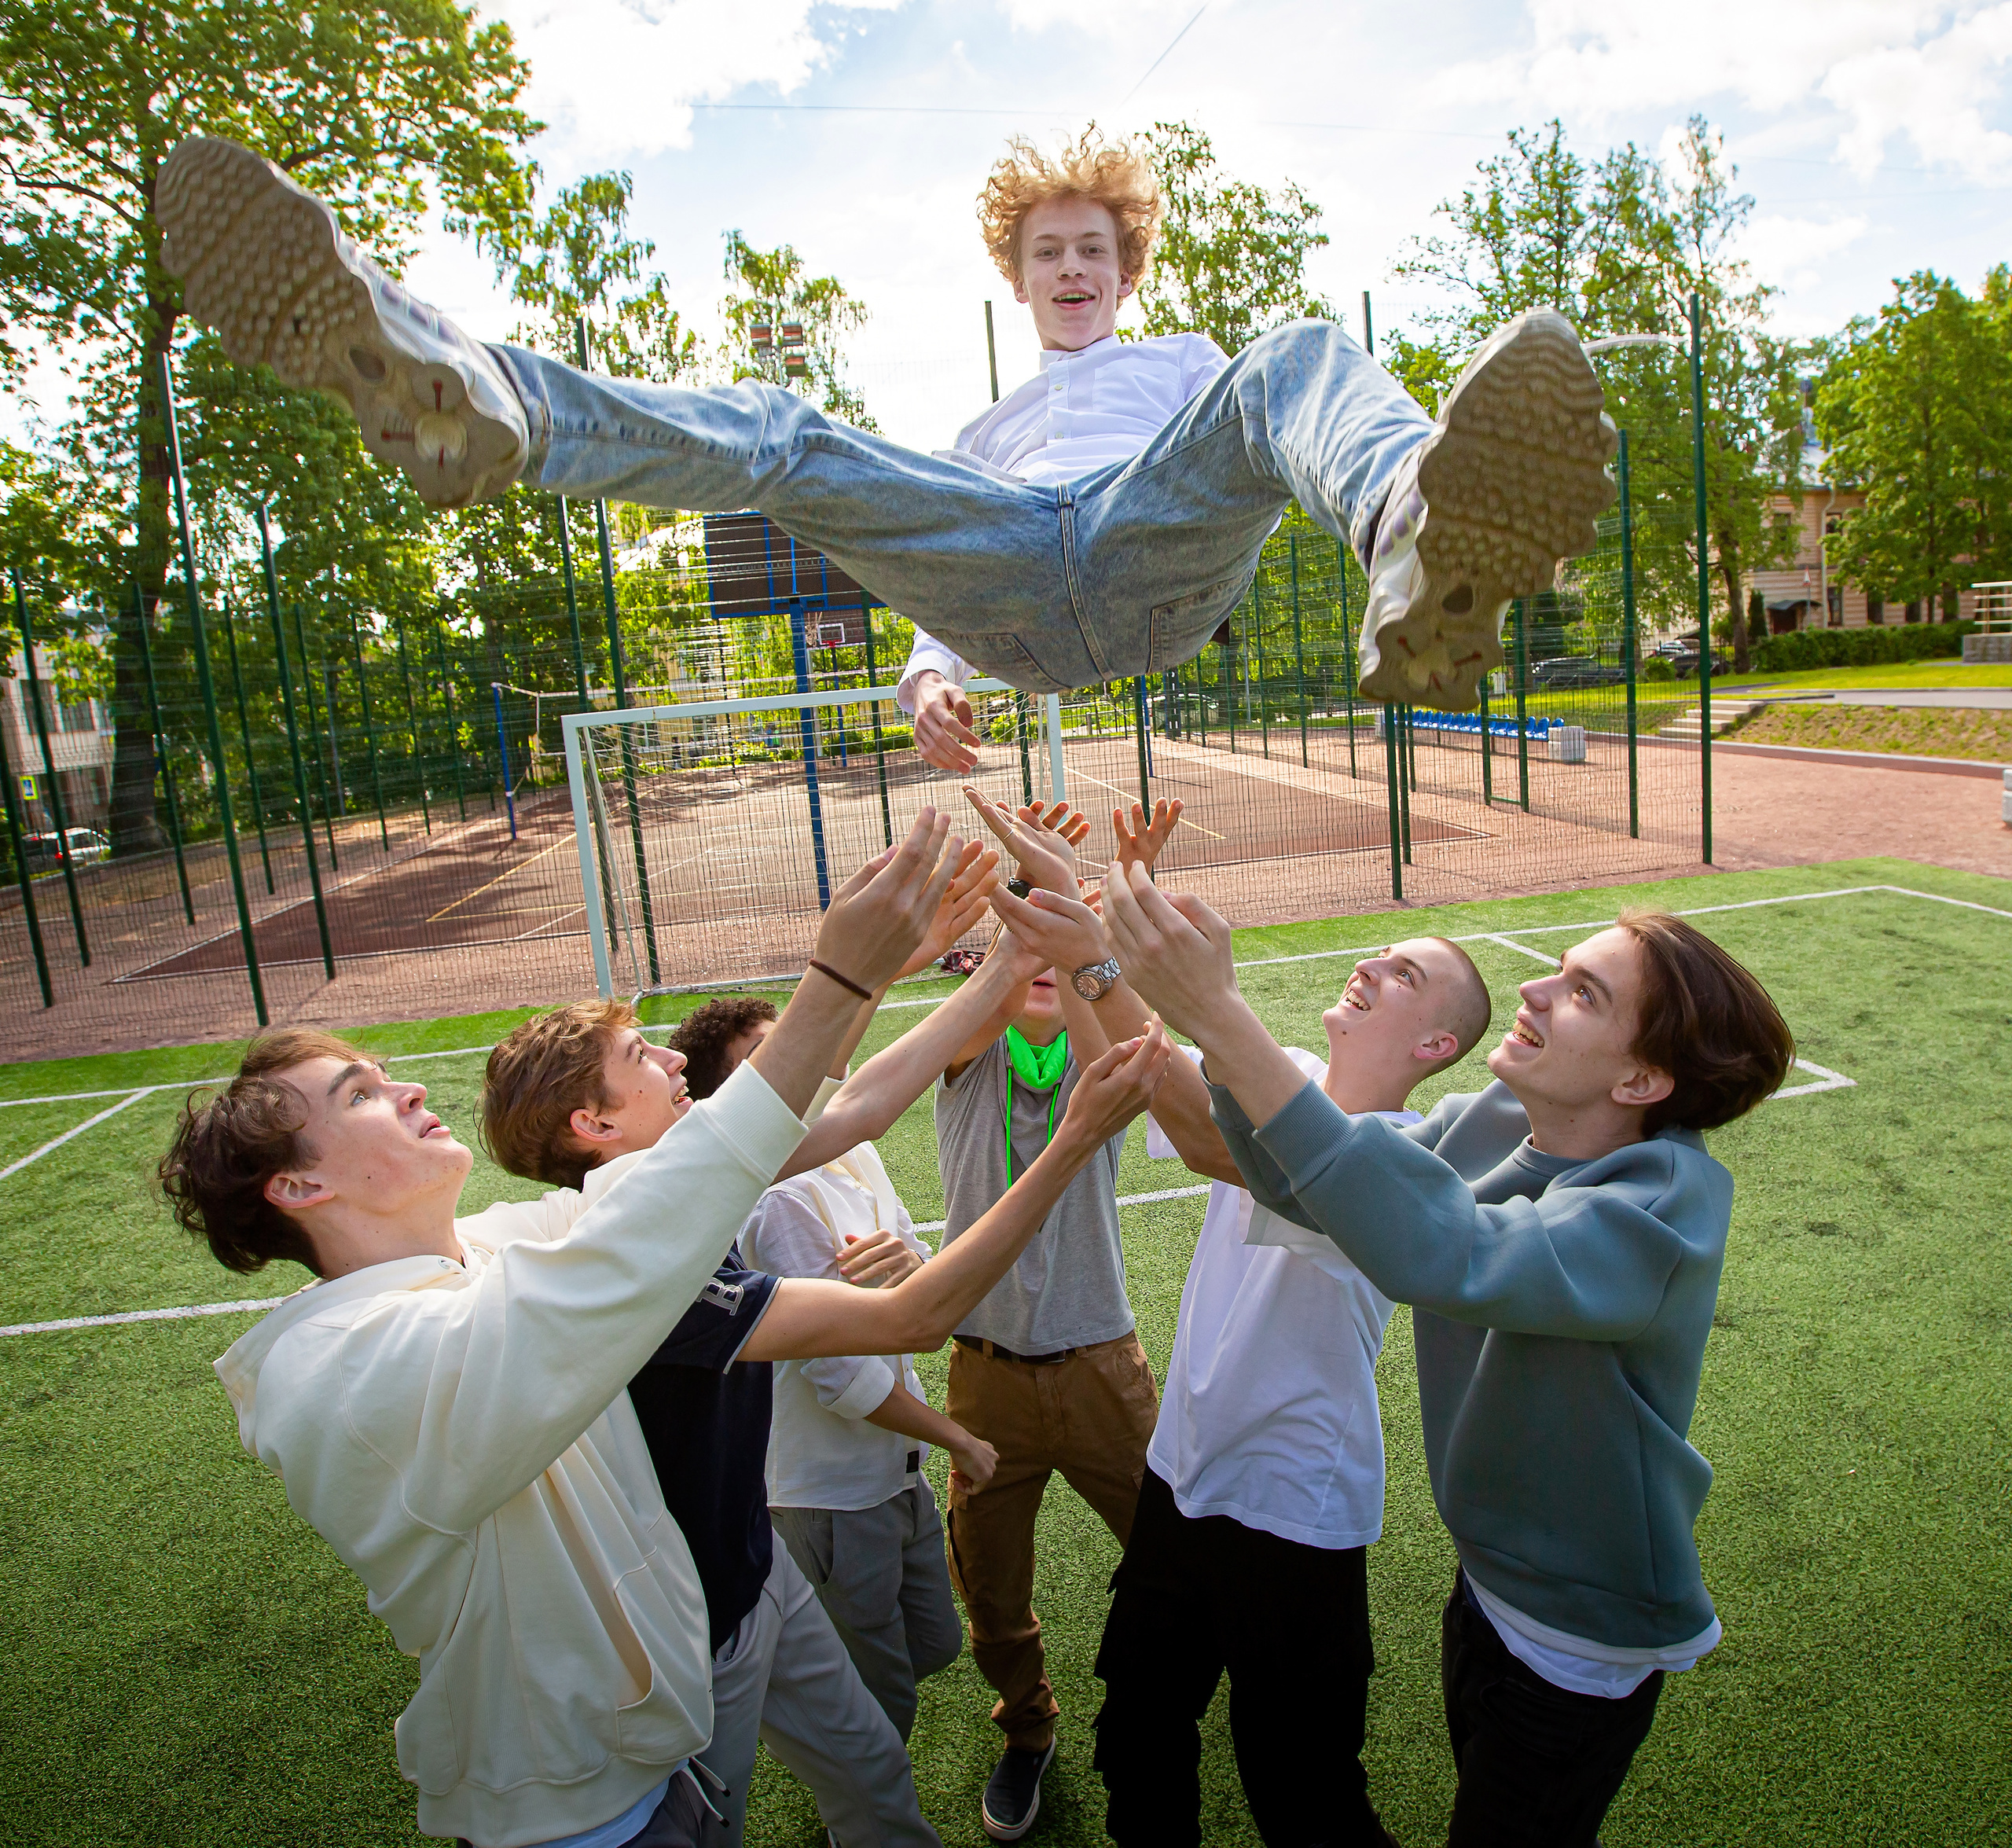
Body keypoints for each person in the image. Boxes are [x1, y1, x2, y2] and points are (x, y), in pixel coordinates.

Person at [157, 128, 1616, 719]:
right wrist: (926, 677)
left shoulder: (1185, 366)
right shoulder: (981, 429)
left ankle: (1414, 544)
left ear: (1125, 268)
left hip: (1146, 552)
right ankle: (492, 404)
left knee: (1294, 352)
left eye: (1094, 252)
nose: (1072, 270)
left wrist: (1316, 468)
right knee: (794, 438)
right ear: (1017, 273)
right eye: (1047, 252)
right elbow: (933, 576)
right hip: (1008, 593)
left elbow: (1256, 441)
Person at [156, 814, 959, 1848]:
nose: (402, 1085)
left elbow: (704, 1167)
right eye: (357, 1092)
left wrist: (891, 975)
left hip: (658, 1758)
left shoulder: (484, 1248)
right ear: (300, 1184)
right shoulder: (344, 1373)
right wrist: (840, 981)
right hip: (586, 1824)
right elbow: (629, 1245)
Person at [474, 844, 1168, 1847]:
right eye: (643, 1059)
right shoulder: (634, 1250)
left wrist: (973, 957)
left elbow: (863, 1095)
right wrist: (1068, 1138)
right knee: (722, 1805)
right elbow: (909, 1322)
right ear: (591, 1122)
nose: (673, 1059)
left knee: (874, 1759)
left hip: (757, 1569)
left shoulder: (684, 1178)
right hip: (687, 1614)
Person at [1098, 865, 1796, 1848]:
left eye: (1580, 992)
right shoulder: (1494, 1122)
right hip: (1486, 1584)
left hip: (1579, 1631)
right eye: (1557, 970)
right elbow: (1310, 1182)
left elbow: (1448, 1254)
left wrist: (1219, 1013)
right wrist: (1206, 1027)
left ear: (1639, 1080)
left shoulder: (1660, 1207)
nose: (1533, 991)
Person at [991, 854, 1492, 1846]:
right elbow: (1142, 1070)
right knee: (1136, 1731)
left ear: (1435, 1041)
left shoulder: (1401, 1157)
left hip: (1292, 1508)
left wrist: (1099, 960)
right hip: (1181, 1476)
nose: (1376, 964)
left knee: (1302, 1790)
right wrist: (1076, 940)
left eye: (1407, 973)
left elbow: (1214, 1132)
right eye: (1383, 951)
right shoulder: (1295, 1078)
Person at [909, 789, 1181, 1842]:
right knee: (992, 1590)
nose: (1032, 968)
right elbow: (986, 992)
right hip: (984, 1372)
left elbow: (1111, 1005)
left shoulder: (1093, 1066)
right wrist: (1019, 909)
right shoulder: (969, 1061)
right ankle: (1028, 1732)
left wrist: (1078, 908)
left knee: (1169, 1554)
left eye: (1048, 957)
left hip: (1100, 1367)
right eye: (1012, 953)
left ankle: (1163, 1702)